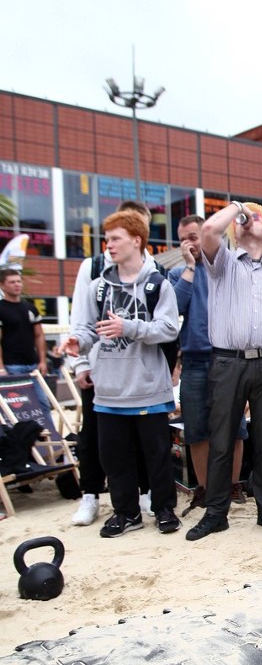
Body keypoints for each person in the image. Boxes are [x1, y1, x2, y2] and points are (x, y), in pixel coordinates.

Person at [186, 200, 262, 540]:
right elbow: (208, 230)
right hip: (227, 361)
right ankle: (216, 513)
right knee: (221, 439)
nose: (246, 221)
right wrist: (238, 207)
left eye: (256, 219)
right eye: (240, 221)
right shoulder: (222, 263)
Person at [68, 209, 181, 537]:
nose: (109, 245)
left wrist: (127, 326)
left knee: (157, 456)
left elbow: (169, 328)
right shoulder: (99, 287)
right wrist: (77, 343)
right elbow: (88, 329)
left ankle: (163, 510)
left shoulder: (158, 283)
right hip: (109, 391)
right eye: (107, 239)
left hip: (147, 387)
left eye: (115, 238)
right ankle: (126, 513)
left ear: (136, 240)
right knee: (115, 459)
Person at [168, 214, 247, 514]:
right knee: (197, 428)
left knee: (235, 426)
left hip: (227, 356)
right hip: (194, 360)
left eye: (193, 235)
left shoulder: (228, 267)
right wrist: (189, 267)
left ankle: (233, 484)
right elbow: (173, 309)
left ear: (207, 234)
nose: (189, 242)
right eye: (183, 238)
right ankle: (204, 488)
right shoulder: (177, 274)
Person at [0, 268, 51, 413]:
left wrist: (42, 361)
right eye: (12, 282)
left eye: (19, 281)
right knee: (17, 409)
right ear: (2, 285)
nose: (17, 285)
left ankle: (50, 436)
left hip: (32, 365)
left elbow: (39, 335)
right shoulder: (1, 309)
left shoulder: (30, 308)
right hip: (11, 367)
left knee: (43, 404)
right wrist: (1, 367)